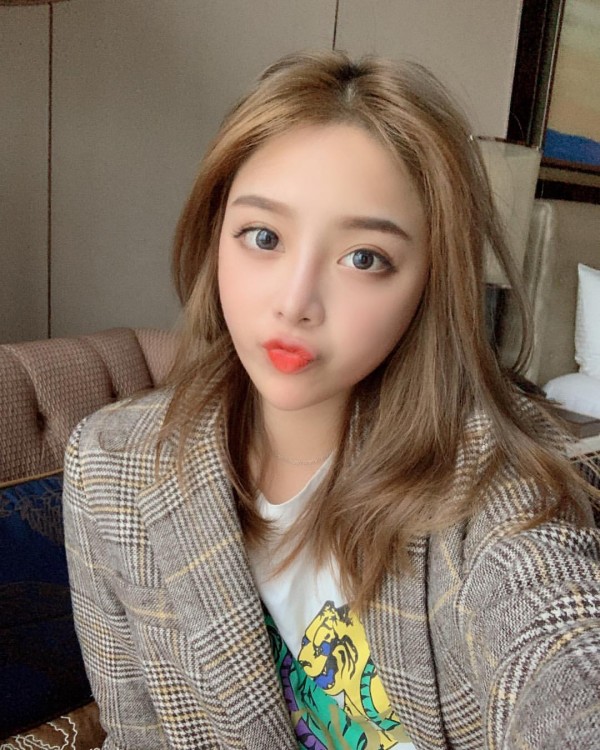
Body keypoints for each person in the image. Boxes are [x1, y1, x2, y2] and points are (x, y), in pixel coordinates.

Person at [63, 51, 600, 750]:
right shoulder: (110, 468)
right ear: (214, 236)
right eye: (264, 238)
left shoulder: (500, 484)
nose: (295, 303)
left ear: (431, 282)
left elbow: (561, 653)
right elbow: (137, 735)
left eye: (364, 258)